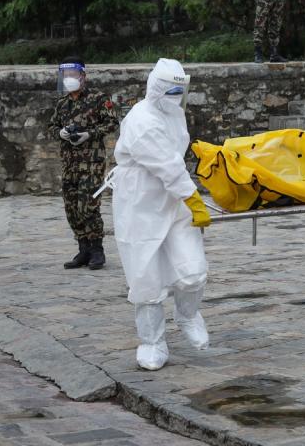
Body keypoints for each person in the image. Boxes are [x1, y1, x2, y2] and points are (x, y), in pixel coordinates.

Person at [110, 58, 212, 370]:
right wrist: (194, 198)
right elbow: (166, 165)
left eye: (179, 90)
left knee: (193, 269)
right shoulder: (141, 120)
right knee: (146, 280)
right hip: (139, 202)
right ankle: (152, 342)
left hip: (174, 199)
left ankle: (187, 313)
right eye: (171, 90)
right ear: (156, 88)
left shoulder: (175, 113)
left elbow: (176, 160)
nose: (175, 96)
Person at [47, 56, 120, 271]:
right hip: (69, 164)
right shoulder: (62, 103)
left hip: (91, 163)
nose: (69, 79)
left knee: (88, 206)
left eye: (72, 75)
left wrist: (89, 134)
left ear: (82, 76)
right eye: (65, 75)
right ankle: (84, 249)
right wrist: (60, 133)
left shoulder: (98, 99)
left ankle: (97, 250)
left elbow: (112, 122)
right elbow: (52, 126)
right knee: (72, 208)